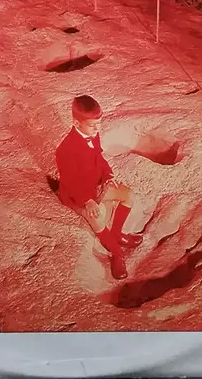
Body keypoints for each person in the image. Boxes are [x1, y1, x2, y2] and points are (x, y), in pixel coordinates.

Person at [55, 95, 143, 280]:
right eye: (92, 125)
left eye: (99, 124)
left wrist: (108, 176)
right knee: (96, 217)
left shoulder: (92, 135)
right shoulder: (65, 150)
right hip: (76, 195)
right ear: (76, 123)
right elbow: (71, 182)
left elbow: (99, 158)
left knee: (128, 195)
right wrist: (87, 201)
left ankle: (116, 235)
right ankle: (116, 254)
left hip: (95, 186)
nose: (97, 129)